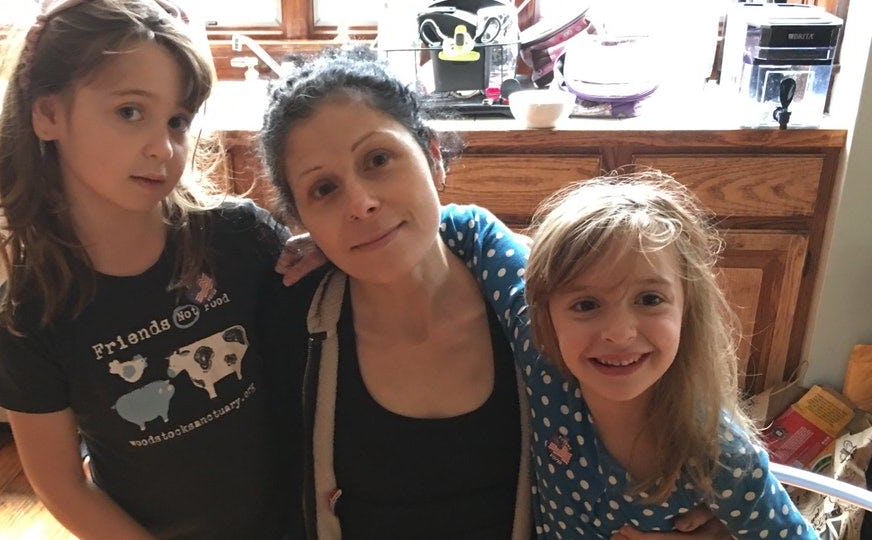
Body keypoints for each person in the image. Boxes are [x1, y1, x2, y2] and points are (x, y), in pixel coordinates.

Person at [256, 49, 734, 540]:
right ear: (300, 220)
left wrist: (714, 511)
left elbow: (667, 406)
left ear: (433, 154)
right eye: (324, 190)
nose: (361, 203)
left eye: (378, 159)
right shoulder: (294, 319)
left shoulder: (545, 304)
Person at [0, 1, 296, 537]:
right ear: (48, 114)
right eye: (129, 112)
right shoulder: (27, 315)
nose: (162, 147)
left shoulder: (239, 238)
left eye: (178, 121)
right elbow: (62, 485)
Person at [440, 172, 816, 538]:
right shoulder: (541, 353)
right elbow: (471, 228)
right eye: (586, 304)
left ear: (688, 308)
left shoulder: (719, 454)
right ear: (543, 313)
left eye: (649, 299)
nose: (619, 333)